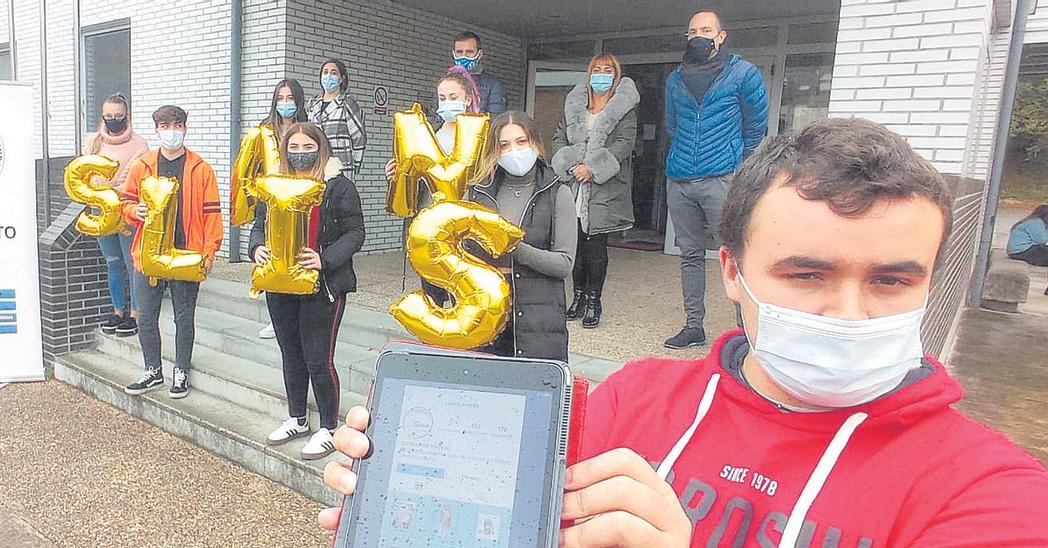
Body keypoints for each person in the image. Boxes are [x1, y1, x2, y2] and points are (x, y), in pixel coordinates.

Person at [318, 118, 1048, 546]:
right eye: (806, 274)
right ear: (730, 271)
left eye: (892, 279)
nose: (850, 311)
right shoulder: (633, 401)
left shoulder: (993, 497)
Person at [251, 122, 365, 460]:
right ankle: (298, 418)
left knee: (318, 358)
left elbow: (355, 232)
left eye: (307, 146)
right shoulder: (274, 185)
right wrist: (256, 248)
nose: (300, 153)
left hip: (323, 287)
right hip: (280, 284)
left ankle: (329, 427)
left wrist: (325, 259)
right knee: (292, 355)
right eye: (294, 147)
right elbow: (259, 226)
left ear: (322, 147)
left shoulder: (338, 186)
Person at [664, 9, 769, 350]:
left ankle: (744, 333)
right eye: (693, 31)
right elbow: (672, 127)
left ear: (721, 36)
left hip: (721, 179)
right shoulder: (675, 79)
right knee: (690, 255)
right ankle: (694, 326)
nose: (699, 36)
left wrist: (736, 168)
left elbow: (756, 128)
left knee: (736, 254)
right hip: (679, 180)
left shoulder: (743, 74)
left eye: (706, 30)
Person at [118, 105, 223, 399]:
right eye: (165, 126)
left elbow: (212, 213)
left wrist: (209, 252)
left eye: (176, 125)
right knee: (146, 316)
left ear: (185, 128)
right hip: (149, 253)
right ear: (156, 130)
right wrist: (132, 210)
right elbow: (125, 201)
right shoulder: (143, 165)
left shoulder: (200, 168)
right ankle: (152, 370)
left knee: (184, 316)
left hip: (187, 255)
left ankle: (181, 371)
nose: (171, 131)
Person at [468, 111, 576, 361]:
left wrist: (514, 247)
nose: (513, 151)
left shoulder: (557, 193)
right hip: (486, 315)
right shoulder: (479, 193)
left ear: (535, 143)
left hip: (538, 322)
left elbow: (564, 263)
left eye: (521, 141)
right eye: (504, 145)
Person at [551, 54, 640, 329]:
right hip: (573, 187)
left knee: (596, 248)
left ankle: (593, 301)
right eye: (597, 70)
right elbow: (558, 137)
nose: (601, 75)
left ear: (615, 75)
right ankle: (577, 298)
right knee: (574, 246)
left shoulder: (623, 109)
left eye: (607, 70)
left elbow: (624, 143)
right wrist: (570, 163)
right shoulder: (575, 105)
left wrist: (594, 168)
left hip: (603, 189)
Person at [386, 68, 483, 308]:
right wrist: (396, 174)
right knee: (433, 284)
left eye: (453, 97)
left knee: (465, 285)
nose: (447, 103)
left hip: (465, 223)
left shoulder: (480, 134)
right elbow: (414, 179)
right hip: (429, 220)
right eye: (442, 98)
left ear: (467, 99)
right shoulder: (429, 134)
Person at [83, 93, 149, 337]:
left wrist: (109, 188)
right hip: (100, 211)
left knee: (132, 263)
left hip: (126, 211)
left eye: (118, 116)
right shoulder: (92, 141)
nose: (113, 120)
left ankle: (135, 313)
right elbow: (86, 173)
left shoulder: (139, 144)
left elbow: (136, 178)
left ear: (126, 115)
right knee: (112, 262)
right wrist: (105, 190)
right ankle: (117, 310)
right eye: (108, 116)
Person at [259, 79, 310, 340]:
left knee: (296, 251)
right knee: (273, 254)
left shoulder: (307, 129)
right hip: (272, 201)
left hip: (299, 200)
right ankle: (274, 316)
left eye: (290, 98)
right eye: (280, 98)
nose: (285, 104)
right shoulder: (265, 131)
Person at [305, 59, 367, 179]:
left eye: (333, 73)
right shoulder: (312, 104)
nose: (328, 76)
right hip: (317, 166)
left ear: (342, 78)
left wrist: (355, 164)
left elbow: (359, 137)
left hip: (341, 165)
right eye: (325, 72)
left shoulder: (348, 103)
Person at [450, 31, 506, 116]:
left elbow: (495, 122)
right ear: (454, 53)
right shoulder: (447, 82)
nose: (464, 56)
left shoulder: (494, 85)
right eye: (459, 52)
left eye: (469, 52)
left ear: (479, 54)